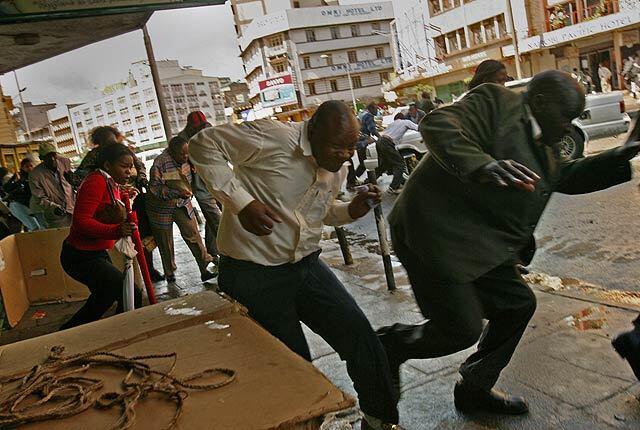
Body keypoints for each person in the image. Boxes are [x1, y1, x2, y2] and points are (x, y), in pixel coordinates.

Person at [378, 71, 640, 416]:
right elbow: (439, 124)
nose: (568, 128)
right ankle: (390, 346)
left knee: (517, 305)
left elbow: (564, 177)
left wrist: (623, 154)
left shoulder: (546, 144)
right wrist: (482, 165)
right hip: (433, 233)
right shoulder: (496, 102)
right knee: (461, 328)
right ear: (541, 102)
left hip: (484, 242)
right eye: (566, 117)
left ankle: (474, 386)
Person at [189, 100, 401, 430]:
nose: (345, 155)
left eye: (351, 147)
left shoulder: (337, 165)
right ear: (312, 131)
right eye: (337, 146)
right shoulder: (273, 137)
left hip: (305, 266)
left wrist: (352, 210)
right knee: (293, 368)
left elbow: (322, 211)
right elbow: (202, 145)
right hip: (252, 273)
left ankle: (380, 421)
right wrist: (242, 203)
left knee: (361, 338)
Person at [59, 143, 141, 330]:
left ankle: (69, 332)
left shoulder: (110, 182)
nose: (129, 172)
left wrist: (125, 194)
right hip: (80, 256)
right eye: (123, 166)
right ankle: (123, 332)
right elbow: (81, 221)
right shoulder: (96, 181)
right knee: (130, 294)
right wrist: (115, 231)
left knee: (104, 297)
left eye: (130, 167)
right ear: (107, 165)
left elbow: (106, 203)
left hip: (95, 253)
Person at [146, 136, 215, 283]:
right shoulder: (160, 163)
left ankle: (204, 269)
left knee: (194, 235)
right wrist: (175, 193)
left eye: (187, 153)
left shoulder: (189, 159)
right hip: (161, 207)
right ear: (171, 152)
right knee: (165, 242)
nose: (185, 157)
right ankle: (169, 272)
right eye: (181, 154)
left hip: (182, 204)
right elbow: (154, 189)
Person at [178, 111, 222, 265]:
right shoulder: (181, 140)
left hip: (216, 179)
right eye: (196, 128)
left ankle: (213, 250)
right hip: (200, 185)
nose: (199, 130)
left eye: (201, 126)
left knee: (218, 217)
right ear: (189, 126)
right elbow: (182, 163)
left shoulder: (208, 130)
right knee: (216, 218)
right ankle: (228, 253)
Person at [29, 142, 75, 229]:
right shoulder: (35, 175)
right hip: (56, 216)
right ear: (41, 158)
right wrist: (53, 207)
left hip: (73, 208)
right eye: (48, 157)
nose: (52, 159)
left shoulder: (65, 162)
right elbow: (39, 198)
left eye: (54, 155)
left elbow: (71, 184)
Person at [377, 112, 418, 194]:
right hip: (387, 143)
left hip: (379, 142)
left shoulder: (391, 124)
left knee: (384, 165)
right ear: (402, 118)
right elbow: (418, 128)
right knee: (400, 164)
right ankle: (393, 187)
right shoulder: (406, 122)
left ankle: (369, 181)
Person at [3, 157, 42, 231]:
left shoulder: (37, 176)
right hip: (22, 205)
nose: (30, 168)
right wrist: (14, 178)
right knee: (35, 227)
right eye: (27, 167)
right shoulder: (21, 178)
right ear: (23, 168)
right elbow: (7, 188)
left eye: (31, 166)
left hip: (36, 205)